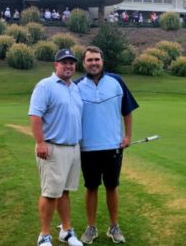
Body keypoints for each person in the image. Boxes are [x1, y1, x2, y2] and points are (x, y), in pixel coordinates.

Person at [75, 46, 139, 244]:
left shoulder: (116, 81)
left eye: (97, 59)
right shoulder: (76, 86)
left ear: (102, 61)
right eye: (89, 60)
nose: (94, 63)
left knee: (112, 187)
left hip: (113, 146)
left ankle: (113, 226)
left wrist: (127, 136)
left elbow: (127, 111)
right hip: (88, 148)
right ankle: (91, 228)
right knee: (91, 187)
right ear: (84, 63)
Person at [29, 49, 84, 246]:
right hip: (53, 148)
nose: (69, 66)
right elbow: (35, 116)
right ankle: (44, 235)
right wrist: (40, 142)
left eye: (72, 63)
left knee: (65, 191)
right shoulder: (45, 86)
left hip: (73, 148)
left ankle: (66, 231)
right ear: (56, 65)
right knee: (50, 193)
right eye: (64, 62)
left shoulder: (74, 88)